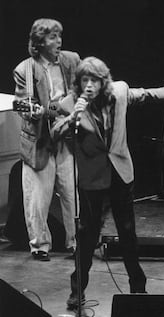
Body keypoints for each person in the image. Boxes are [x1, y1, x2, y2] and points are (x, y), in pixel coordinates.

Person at [51, 56, 164, 310]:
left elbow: (145, 95)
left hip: (120, 172)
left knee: (127, 233)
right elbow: (56, 133)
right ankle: (77, 291)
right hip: (92, 179)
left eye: (94, 80)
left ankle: (137, 287)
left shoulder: (119, 91)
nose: (89, 85)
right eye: (84, 80)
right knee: (87, 237)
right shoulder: (70, 104)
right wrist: (73, 116)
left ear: (103, 81)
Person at [13, 18, 80, 261]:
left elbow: (79, 90)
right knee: (37, 200)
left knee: (72, 196)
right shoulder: (25, 70)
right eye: (53, 37)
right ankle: (40, 245)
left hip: (66, 138)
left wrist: (58, 108)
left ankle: (76, 243)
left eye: (59, 36)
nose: (59, 42)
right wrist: (35, 111)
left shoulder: (71, 60)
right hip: (40, 140)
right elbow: (25, 106)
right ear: (39, 43)